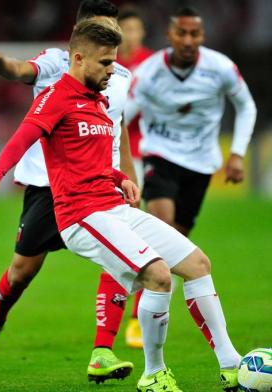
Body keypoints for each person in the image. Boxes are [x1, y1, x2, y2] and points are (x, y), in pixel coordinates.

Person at [0, 18, 241, 392]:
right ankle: (154, 374)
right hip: (81, 216)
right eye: (105, 63)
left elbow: (98, 162)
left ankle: (232, 364)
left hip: (112, 206)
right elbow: (24, 136)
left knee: (198, 264)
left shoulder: (99, 103)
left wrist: (121, 178)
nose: (112, 70)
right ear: (79, 58)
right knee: (159, 276)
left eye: (114, 62)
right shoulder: (55, 97)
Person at [0, 0, 138, 384]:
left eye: (110, 28)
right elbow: (21, 70)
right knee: (23, 270)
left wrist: (127, 173)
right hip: (49, 184)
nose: (105, 37)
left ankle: (102, 351)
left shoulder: (120, 75)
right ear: (78, 34)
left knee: (122, 258)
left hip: (100, 185)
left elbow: (119, 125)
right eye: (97, 28)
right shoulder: (57, 62)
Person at [126, 6, 256, 238]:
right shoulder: (148, 72)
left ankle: (162, 273)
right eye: (181, 33)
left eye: (194, 34)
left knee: (179, 236)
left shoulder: (221, 67)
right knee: (161, 226)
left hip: (200, 160)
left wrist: (237, 153)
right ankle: (149, 272)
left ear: (202, 36)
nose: (187, 40)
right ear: (169, 35)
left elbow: (246, 106)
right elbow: (123, 116)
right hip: (160, 154)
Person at [116, 5, 154, 350]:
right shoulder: (106, 63)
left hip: (143, 156)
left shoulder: (152, 63)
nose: (129, 35)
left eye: (134, 29)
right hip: (110, 157)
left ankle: (137, 316)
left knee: (143, 234)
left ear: (141, 33)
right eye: (123, 29)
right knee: (121, 236)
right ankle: (123, 313)